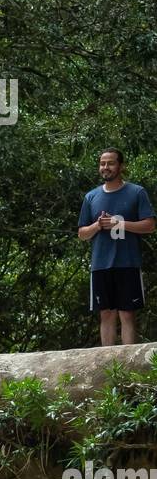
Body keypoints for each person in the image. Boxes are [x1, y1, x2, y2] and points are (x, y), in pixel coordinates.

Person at [78, 147, 155, 346]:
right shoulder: (91, 197)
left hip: (127, 262)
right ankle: (108, 366)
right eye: (103, 163)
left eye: (110, 163)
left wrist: (119, 223)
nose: (106, 167)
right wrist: (97, 225)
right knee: (106, 314)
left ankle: (128, 368)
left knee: (127, 314)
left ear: (120, 166)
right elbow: (82, 234)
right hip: (100, 265)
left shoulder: (136, 192)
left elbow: (149, 225)